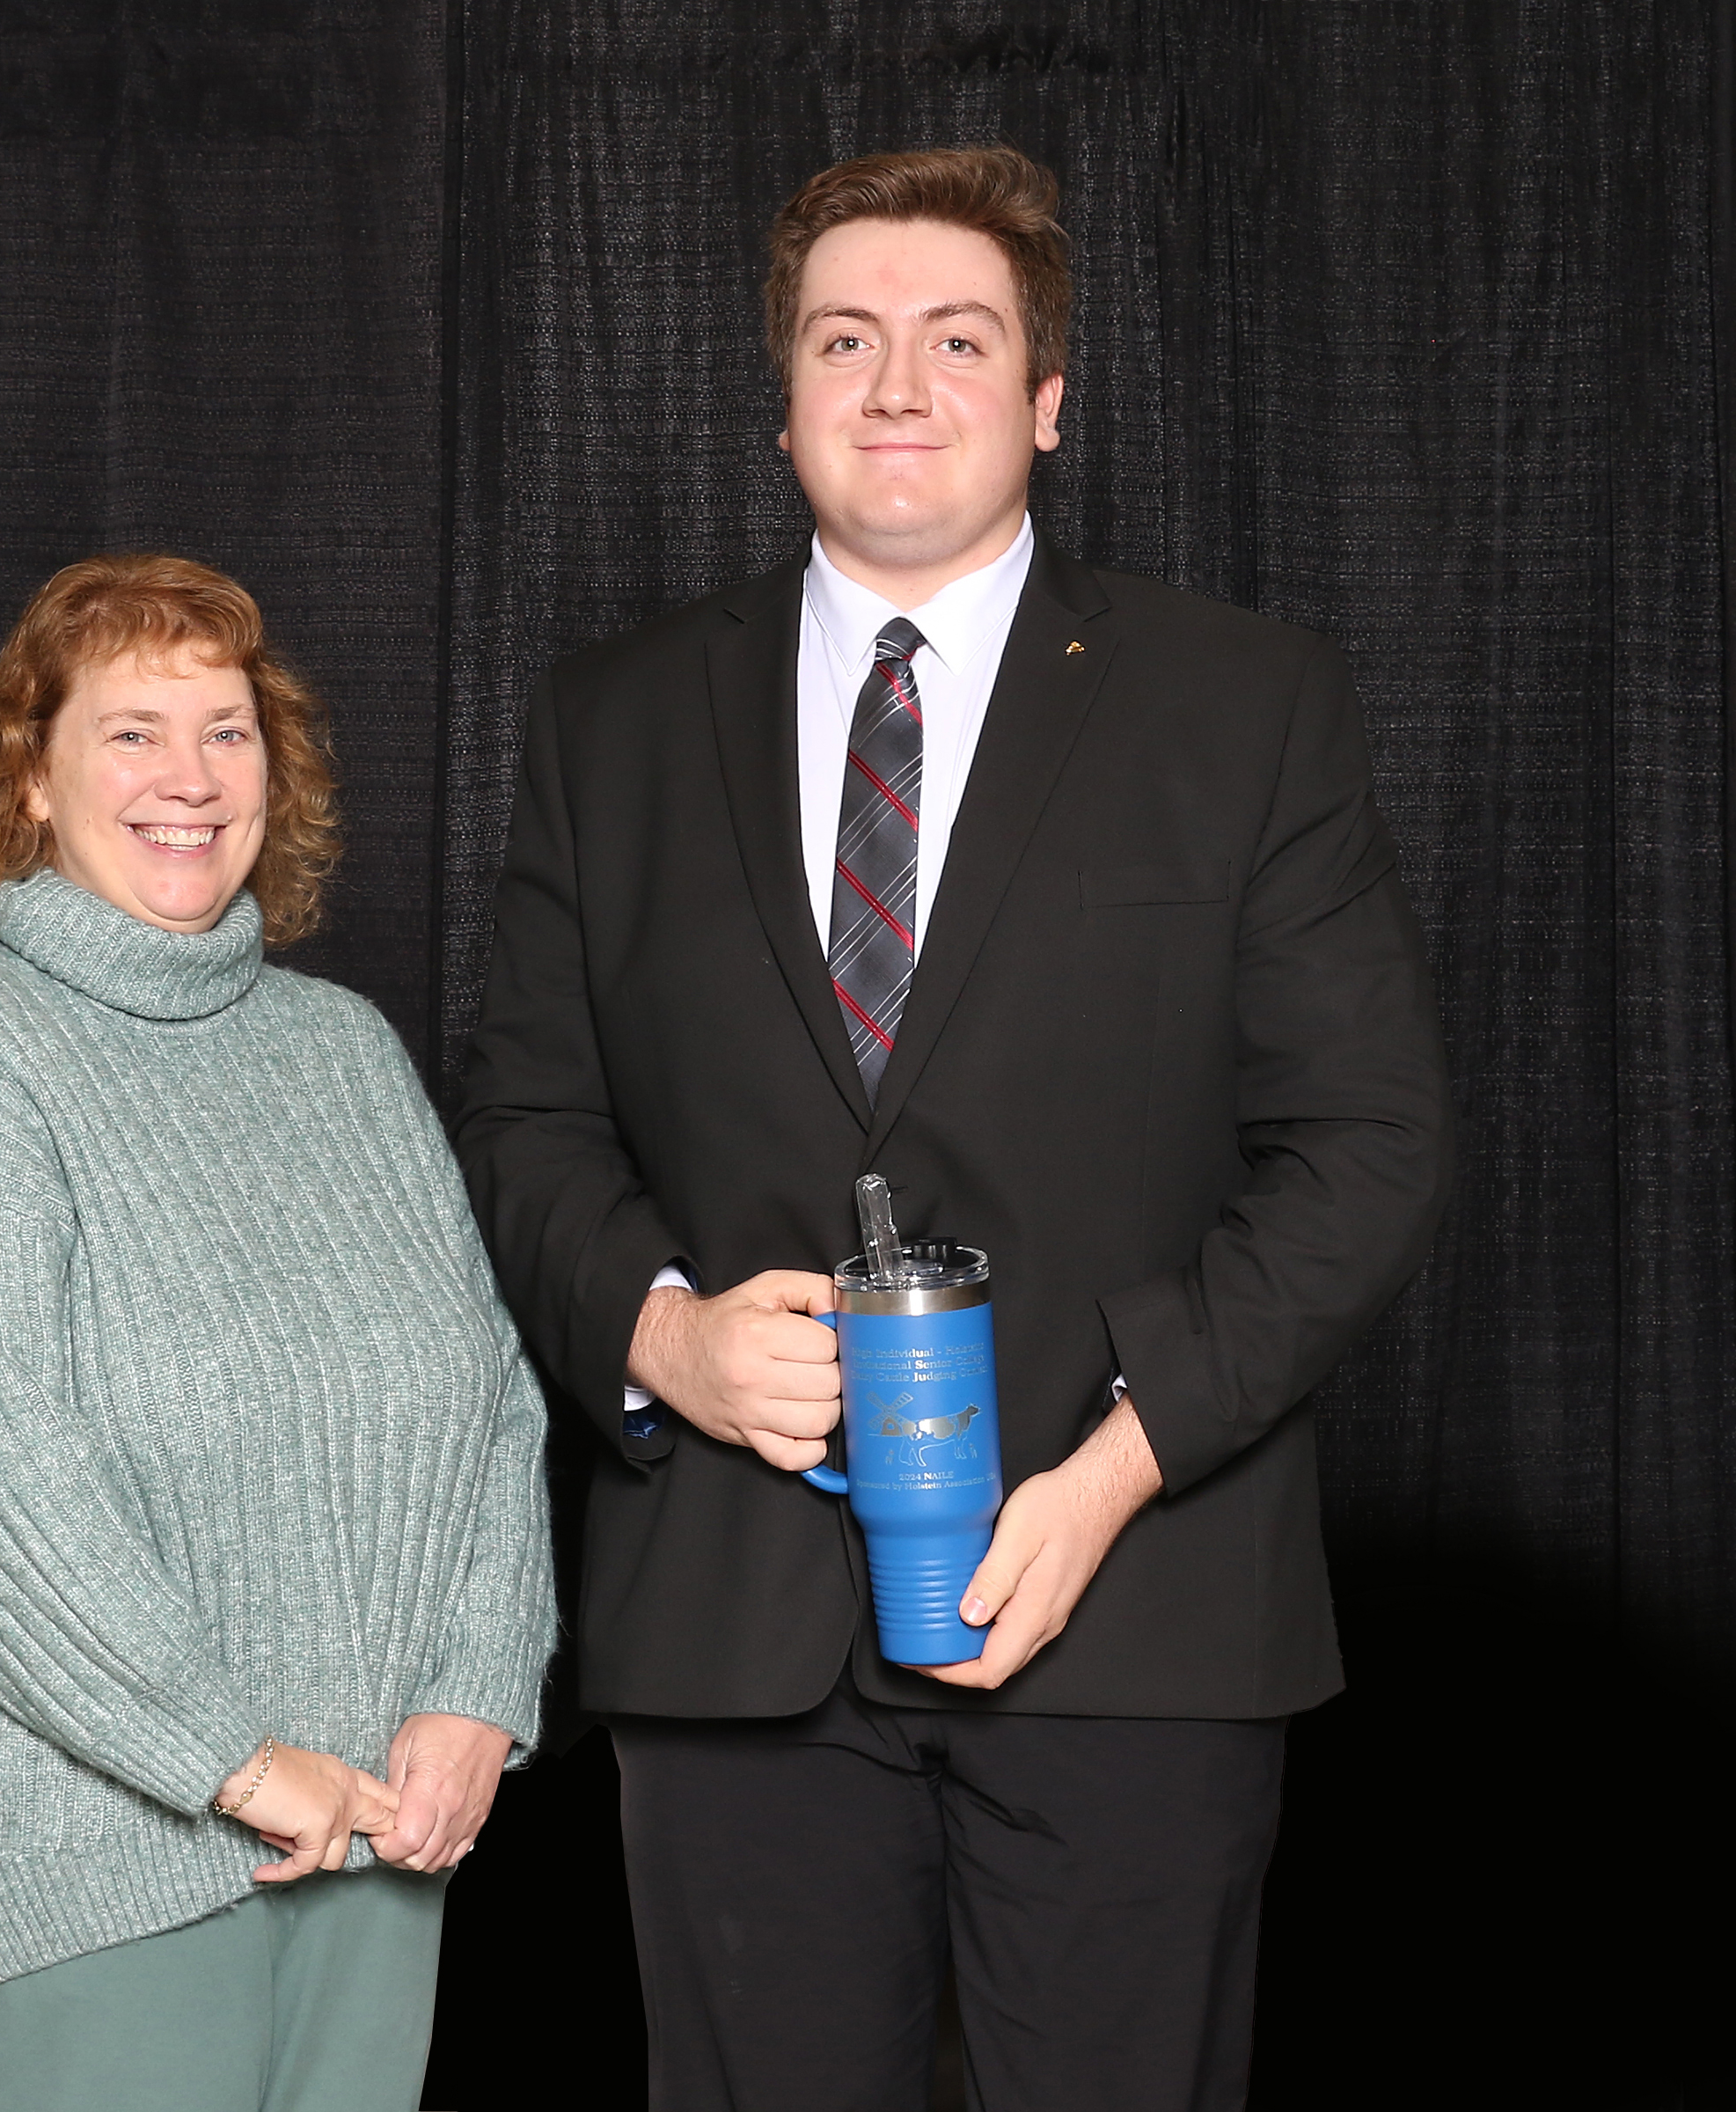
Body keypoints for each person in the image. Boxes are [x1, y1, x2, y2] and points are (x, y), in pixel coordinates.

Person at [454, 146, 1452, 2112]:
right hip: (735, 1630)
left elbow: (1372, 1146)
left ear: (1048, 401)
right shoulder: (611, 723)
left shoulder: (1243, 707)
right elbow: (520, 1124)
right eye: (848, 338)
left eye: (957, 339)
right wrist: (661, 1333)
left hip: (1134, 1614)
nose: (897, 383)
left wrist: (1109, 1473)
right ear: (786, 396)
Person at [0, 554, 554, 2112]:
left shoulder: (343, 1054)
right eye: (133, 732)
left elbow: (489, 1405)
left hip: (367, 1849)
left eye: (226, 730)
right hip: (76, 1864)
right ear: (31, 781)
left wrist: (481, 1690)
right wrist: (230, 1756)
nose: (190, 780)